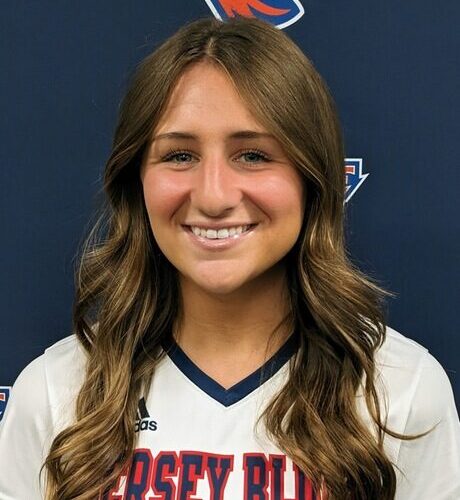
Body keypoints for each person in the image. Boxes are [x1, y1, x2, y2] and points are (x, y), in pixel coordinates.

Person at [0, 16, 459, 500]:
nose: (214, 195)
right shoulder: (55, 392)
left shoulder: (399, 391)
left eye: (253, 155)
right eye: (179, 156)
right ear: (137, 182)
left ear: (313, 178)